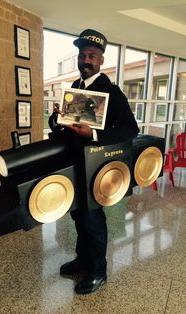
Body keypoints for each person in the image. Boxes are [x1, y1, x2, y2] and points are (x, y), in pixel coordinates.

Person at [49, 29, 139, 295]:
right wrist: (56, 120)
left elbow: (130, 129)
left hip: (95, 167)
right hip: (73, 163)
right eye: (81, 55)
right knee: (77, 215)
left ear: (101, 60)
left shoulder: (111, 92)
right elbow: (66, 129)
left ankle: (99, 271)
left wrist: (96, 134)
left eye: (91, 56)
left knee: (93, 220)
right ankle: (83, 259)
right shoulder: (75, 89)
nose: (85, 60)